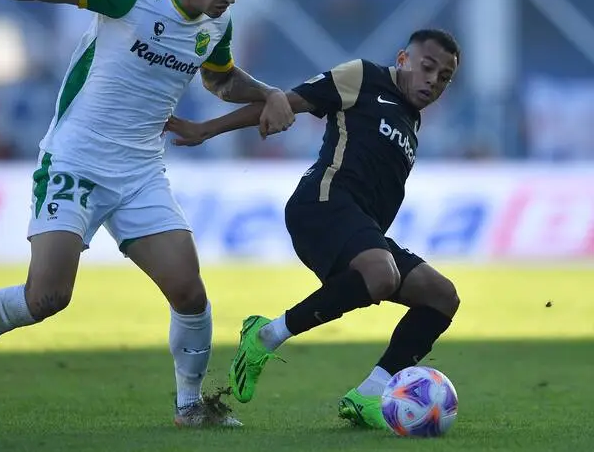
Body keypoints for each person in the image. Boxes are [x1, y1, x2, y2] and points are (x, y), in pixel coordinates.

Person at [0, 0, 295, 428]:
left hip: (140, 170)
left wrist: (269, 92)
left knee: (190, 292)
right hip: (75, 159)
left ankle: (189, 407)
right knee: (47, 297)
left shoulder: (216, 23)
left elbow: (221, 82)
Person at [164, 29, 461, 429]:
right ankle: (264, 337)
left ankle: (370, 393)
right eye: (427, 67)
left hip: (361, 228)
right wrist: (206, 129)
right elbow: (284, 102)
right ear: (403, 58)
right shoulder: (363, 76)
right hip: (320, 205)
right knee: (381, 273)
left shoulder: (411, 118)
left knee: (442, 296)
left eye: (444, 77)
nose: (433, 81)